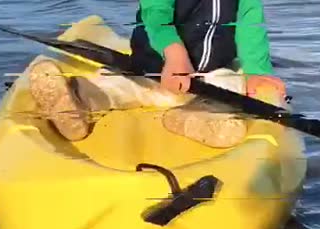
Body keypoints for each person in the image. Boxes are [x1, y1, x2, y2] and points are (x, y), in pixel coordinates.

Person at [28, 0, 286, 148]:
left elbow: (249, 22)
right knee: (123, 85)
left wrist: (257, 71)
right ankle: (79, 100)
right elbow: (156, 14)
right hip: (156, 68)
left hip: (210, 76)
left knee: (232, 84)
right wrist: (174, 55)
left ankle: (195, 117)